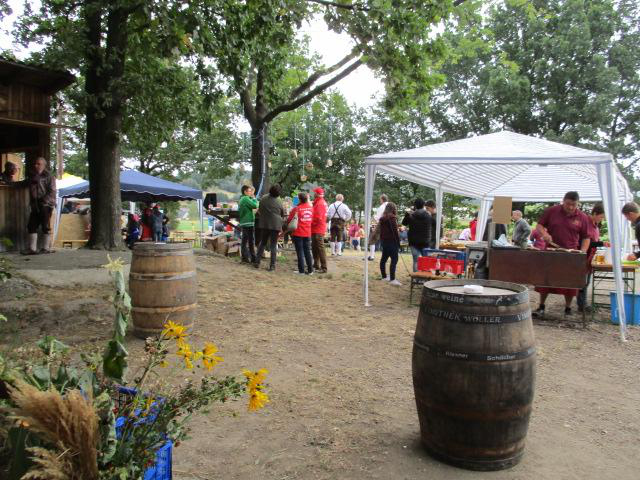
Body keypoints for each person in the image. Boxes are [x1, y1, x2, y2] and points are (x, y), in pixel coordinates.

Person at [533, 191, 591, 317]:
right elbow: (539, 225)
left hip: (571, 253)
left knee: (570, 283)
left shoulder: (582, 217)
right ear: (563, 201)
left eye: (574, 205)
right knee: (546, 281)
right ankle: (541, 306)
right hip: (551, 251)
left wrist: (582, 252)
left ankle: (568, 308)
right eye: (568, 204)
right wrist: (545, 234)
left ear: (578, 204)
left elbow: (586, 237)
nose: (570, 207)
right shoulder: (552, 211)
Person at [23, 157, 56, 254]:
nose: (36, 165)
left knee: (45, 226)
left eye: (38, 164)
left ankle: (46, 248)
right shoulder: (33, 176)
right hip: (35, 205)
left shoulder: (49, 176)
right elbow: (23, 183)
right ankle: (32, 249)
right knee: (31, 225)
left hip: (46, 204)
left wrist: (44, 201)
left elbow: (52, 191)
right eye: (35, 164)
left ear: (44, 165)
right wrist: (9, 183)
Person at [577, 203, 606, 312]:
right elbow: (584, 242)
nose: (602, 219)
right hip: (584, 256)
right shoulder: (586, 223)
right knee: (583, 282)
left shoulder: (596, 225)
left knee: (586, 282)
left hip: (590, 257)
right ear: (595, 213)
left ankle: (583, 303)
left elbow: (593, 240)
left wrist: (601, 242)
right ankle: (582, 305)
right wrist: (601, 243)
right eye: (601, 217)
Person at [254, 184, 286, 271]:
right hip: (275, 225)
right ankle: (272, 265)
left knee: (262, 243)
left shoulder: (263, 198)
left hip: (264, 224)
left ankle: (257, 262)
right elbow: (282, 214)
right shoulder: (279, 201)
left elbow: (259, 210)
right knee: (273, 245)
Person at [402, 198, 432, 272]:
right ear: (423, 205)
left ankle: (416, 276)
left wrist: (407, 214)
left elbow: (404, 223)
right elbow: (434, 223)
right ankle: (425, 276)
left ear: (415, 205)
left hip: (413, 242)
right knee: (426, 260)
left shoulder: (411, 215)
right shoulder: (428, 215)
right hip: (425, 241)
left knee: (416, 260)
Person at [287, 192, 314, 274]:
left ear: (299, 199)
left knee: (300, 252)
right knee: (307, 251)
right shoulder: (311, 208)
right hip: (307, 232)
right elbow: (312, 219)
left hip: (298, 233)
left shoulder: (297, 209)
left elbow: (289, 220)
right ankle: (310, 270)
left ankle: (301, 271)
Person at [379, 202, 402, 286]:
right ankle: (392, 279)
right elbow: (395, 232)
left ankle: (384, 276)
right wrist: (398, 243)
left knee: (383, 260)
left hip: (384, 242)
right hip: (392, 242)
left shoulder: (382, 218)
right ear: (393, 209)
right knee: (394, 259)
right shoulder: (392, 218)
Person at [238, 185, 259, 264]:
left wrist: (252, 199)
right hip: (248, 223)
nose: (251, 193)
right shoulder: (245, 199)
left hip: (246, 222)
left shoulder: (242, 199)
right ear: (245, 192)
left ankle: (247, 258)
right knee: (249, 241)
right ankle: (250, 258)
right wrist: (254, 199)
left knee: (247, 241)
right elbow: (255, 205)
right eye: (249, 191)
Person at [311, 187, 328, 273]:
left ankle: (324, 267)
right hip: (317, 228)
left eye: (314, 192)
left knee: (320, 248)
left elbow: (318, 218)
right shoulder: (320, 202)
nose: (313, 194)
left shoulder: (320, 203)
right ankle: (316, 265)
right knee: (315, 247)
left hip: (318, 228)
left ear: (317, 194)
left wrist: (310, 223)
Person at [369, 194, 389, 259]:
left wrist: (374, 216)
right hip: (389, 225)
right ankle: (388, 255)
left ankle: (372, 256)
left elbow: (378, 217)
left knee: (372, 239)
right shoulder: (390, 205)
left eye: (380, 199)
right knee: (387, 241)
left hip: (381, 224)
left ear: (382, 199)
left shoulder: (382, 207)